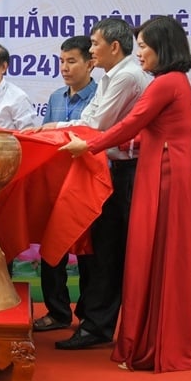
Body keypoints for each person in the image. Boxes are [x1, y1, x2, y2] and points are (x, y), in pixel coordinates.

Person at [61, 16, 191, 372]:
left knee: (148, 258)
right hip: (168, 170)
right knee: (155, 259)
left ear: (161, 48)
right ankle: (151, 339)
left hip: (162, 176)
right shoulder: (175, 82)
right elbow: (141, 134)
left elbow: (128, 124)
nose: (139, 53)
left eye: (143, 46)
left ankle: (149, 345)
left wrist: (88, 147)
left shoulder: (164, 84)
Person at [46, 18, 151, 350]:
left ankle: (99, 326)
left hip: (131, 171)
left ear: (113, 47)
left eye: (94, 44)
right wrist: (51, 129)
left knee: (110, 251)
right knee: (102, 247)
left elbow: (94, 124)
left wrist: (50, 131)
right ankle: (94, 321)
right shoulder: (111, 77)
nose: (91, 50)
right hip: (115, 171)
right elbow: (88, 118)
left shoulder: (128, 77)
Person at [31, 36, 96, 333]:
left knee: (89, 255)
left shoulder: (101, 96)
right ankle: (57, 312)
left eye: (72, 61)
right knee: (52, 250)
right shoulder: (56, 97)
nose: (65, 68)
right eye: (62, 61)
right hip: (56, 186)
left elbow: (96, 135)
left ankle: (89, 316)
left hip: (87, 185)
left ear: (90, 63)